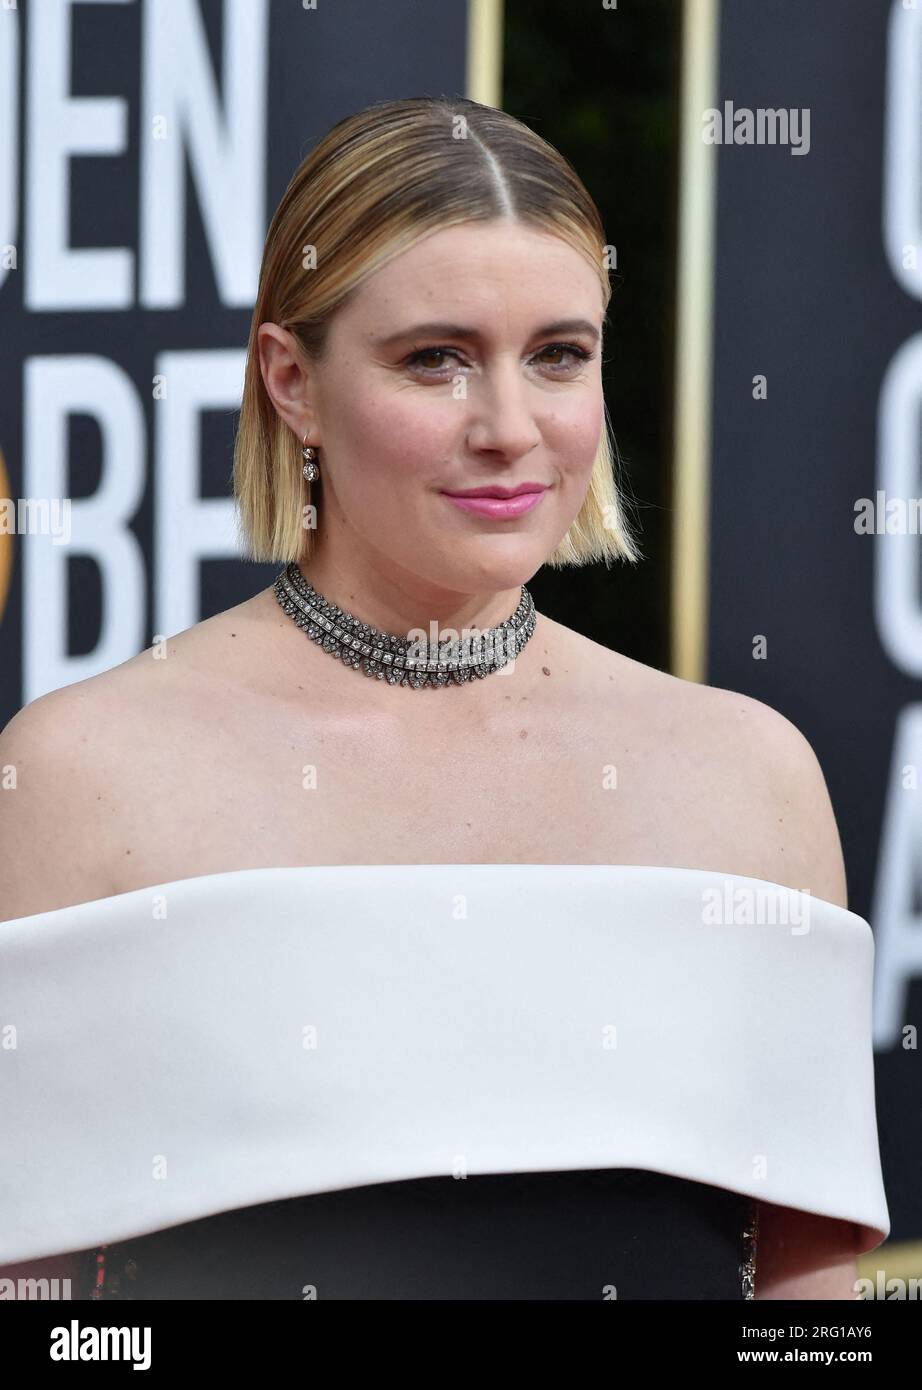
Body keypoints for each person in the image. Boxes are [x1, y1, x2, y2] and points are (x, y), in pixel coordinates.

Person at [0, 96, 888, 1300]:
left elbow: (807, 1300)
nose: (510, 429)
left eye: (558, 356)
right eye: (436, 359)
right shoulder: (78, 774)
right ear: (290, 383)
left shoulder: (748, 777)